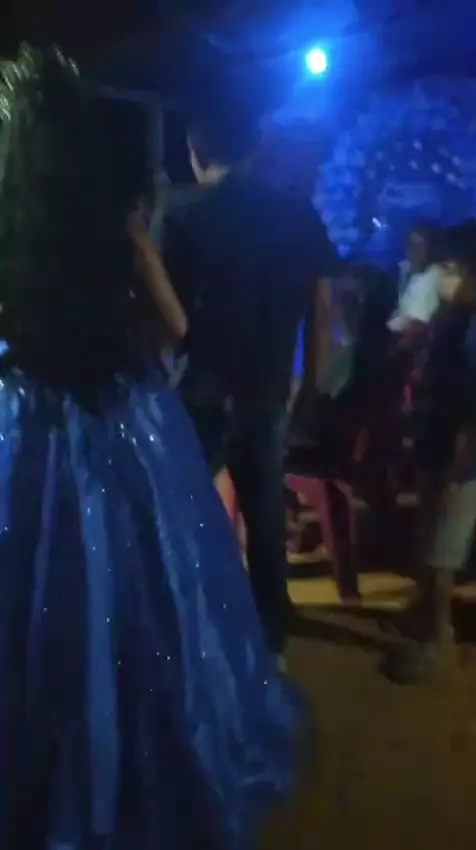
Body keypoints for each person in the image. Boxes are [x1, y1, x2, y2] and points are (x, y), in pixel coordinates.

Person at [0, 44, 303, 849]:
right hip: (118, 419)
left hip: (19, 430)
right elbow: (174, 328)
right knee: (136, 599)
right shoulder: (117, 228)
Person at [151, 113, 339, 663]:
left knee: (184, 511)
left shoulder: (179, 210)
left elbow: (163, 314)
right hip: (268, 387)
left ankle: (193, 630)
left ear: (194, 151)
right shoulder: (299, 215)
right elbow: (322, 309)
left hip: (199, 385)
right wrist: (313, 387)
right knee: (264, 513)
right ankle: (270, 636)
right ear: (255, 148)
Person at [385, 222, 476, 683]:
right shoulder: (458, 316)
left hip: (465, 452)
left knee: (445, 546)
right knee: (435, 536)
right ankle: (426, 616)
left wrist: (464, 451)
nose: (443, 277)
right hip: (444, 437)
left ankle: (439, 641)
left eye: (452, 268)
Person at [388, 220, 445, 337]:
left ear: (431, 247)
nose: (412, 248)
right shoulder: (403, 269)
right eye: (410, 242)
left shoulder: (435, 277)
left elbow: (419, 324)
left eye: (419, 244)